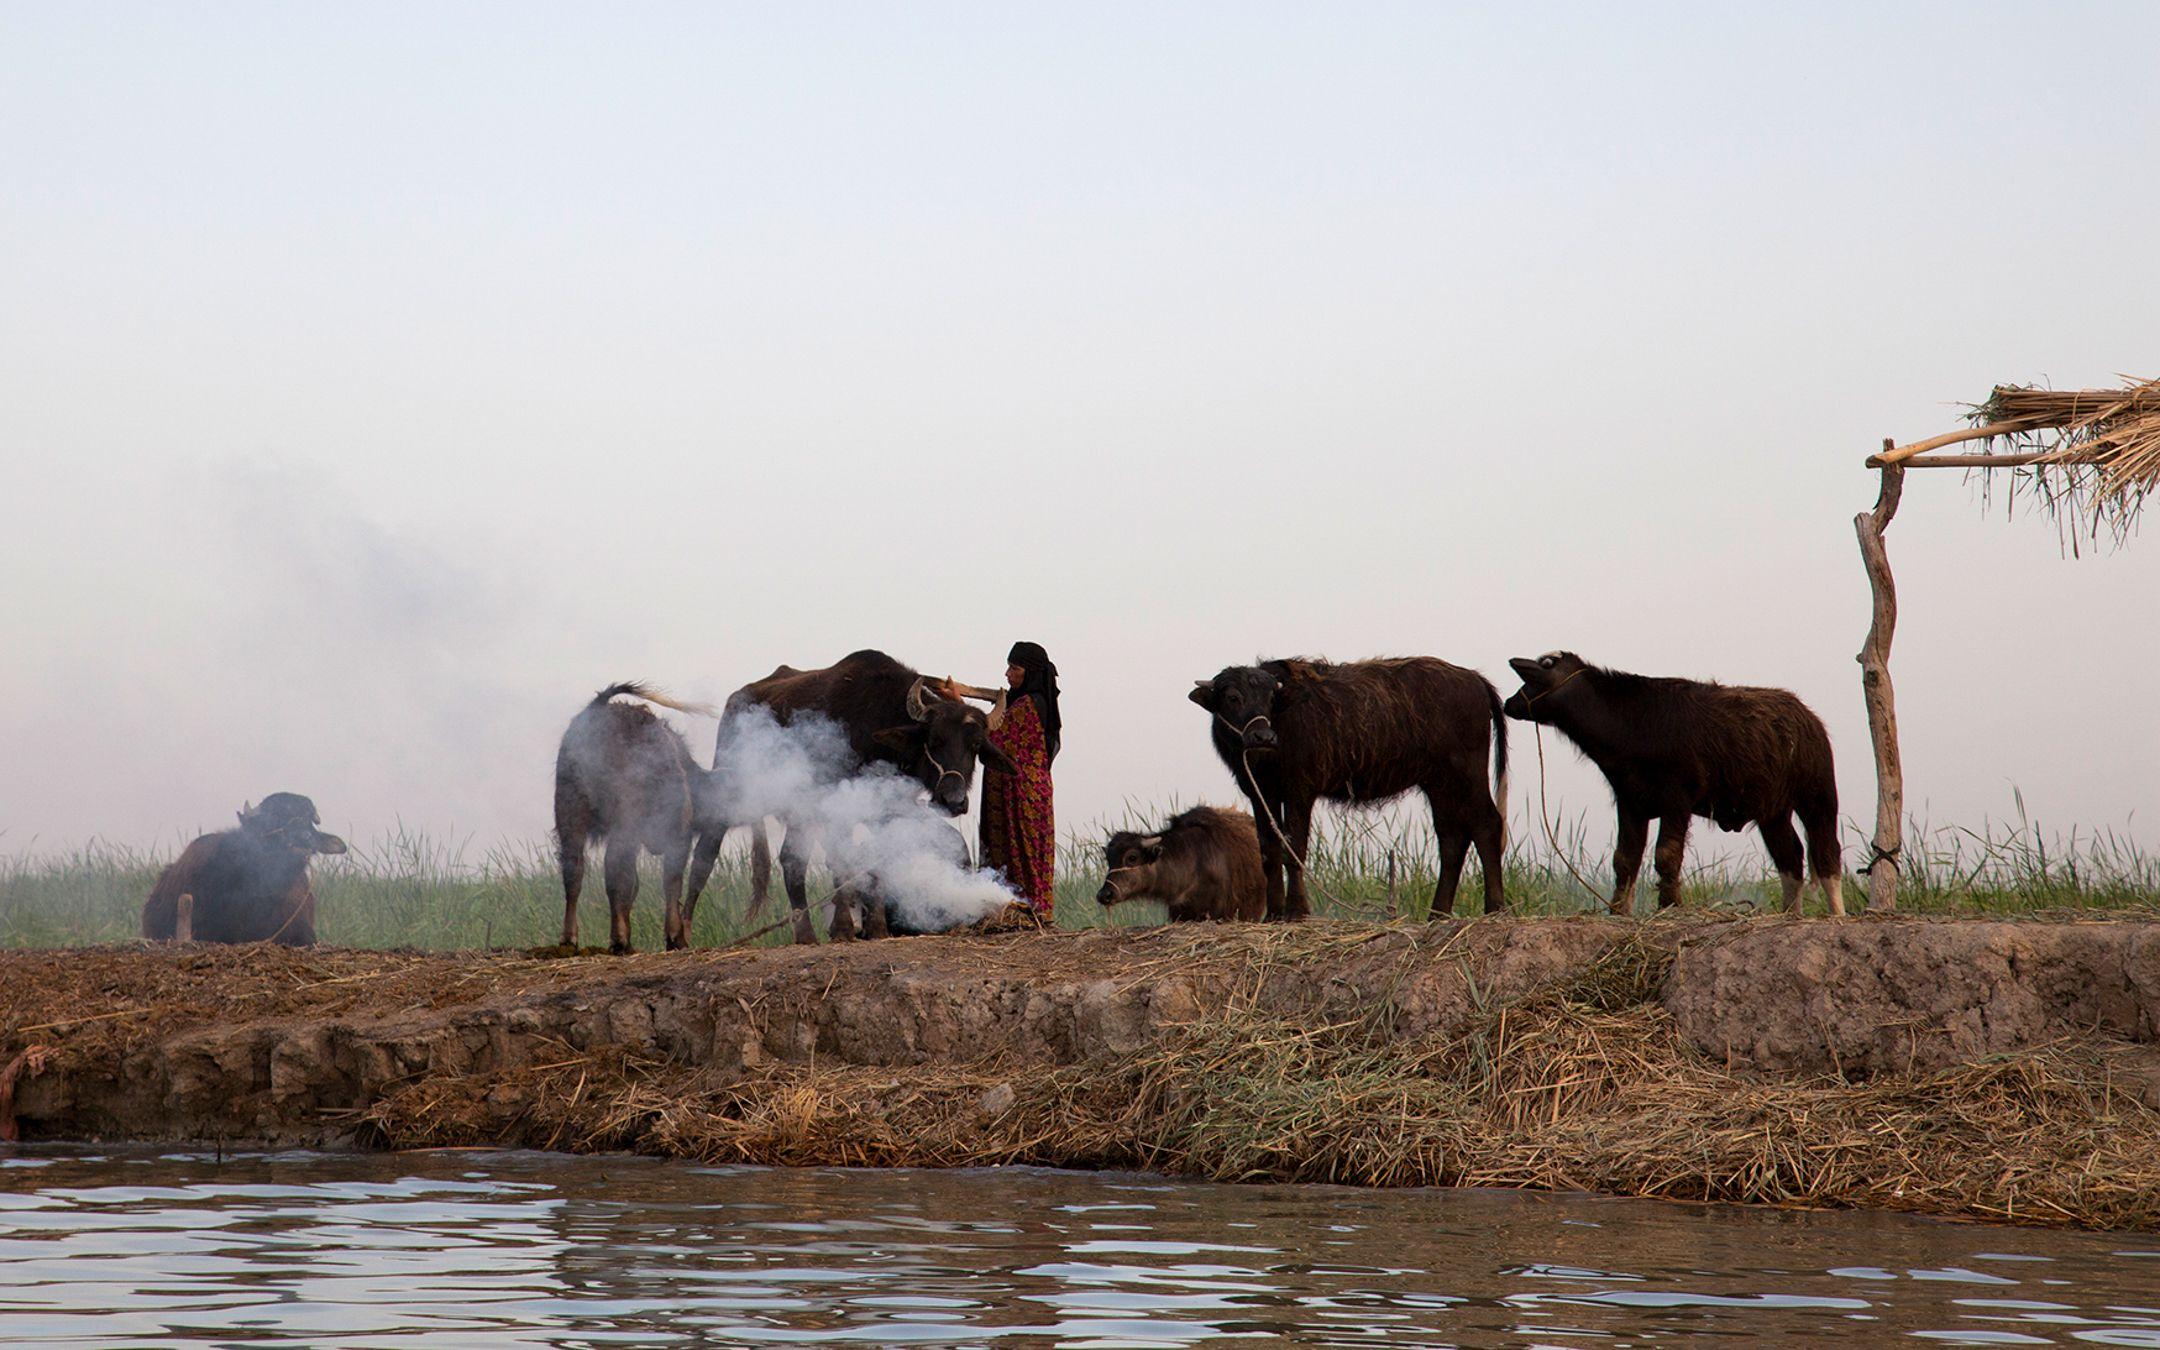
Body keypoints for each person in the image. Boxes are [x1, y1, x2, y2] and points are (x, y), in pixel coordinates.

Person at [979, 640, 1060, 919]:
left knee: (1023, 853)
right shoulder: (1027, 702)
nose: (1007, 674)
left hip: (1022, 795)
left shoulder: (1028, 705)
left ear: (1031, 672)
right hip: (1025, 791)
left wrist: (955, 703)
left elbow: (993, 737)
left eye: (1014, 668)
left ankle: (1026, 915)